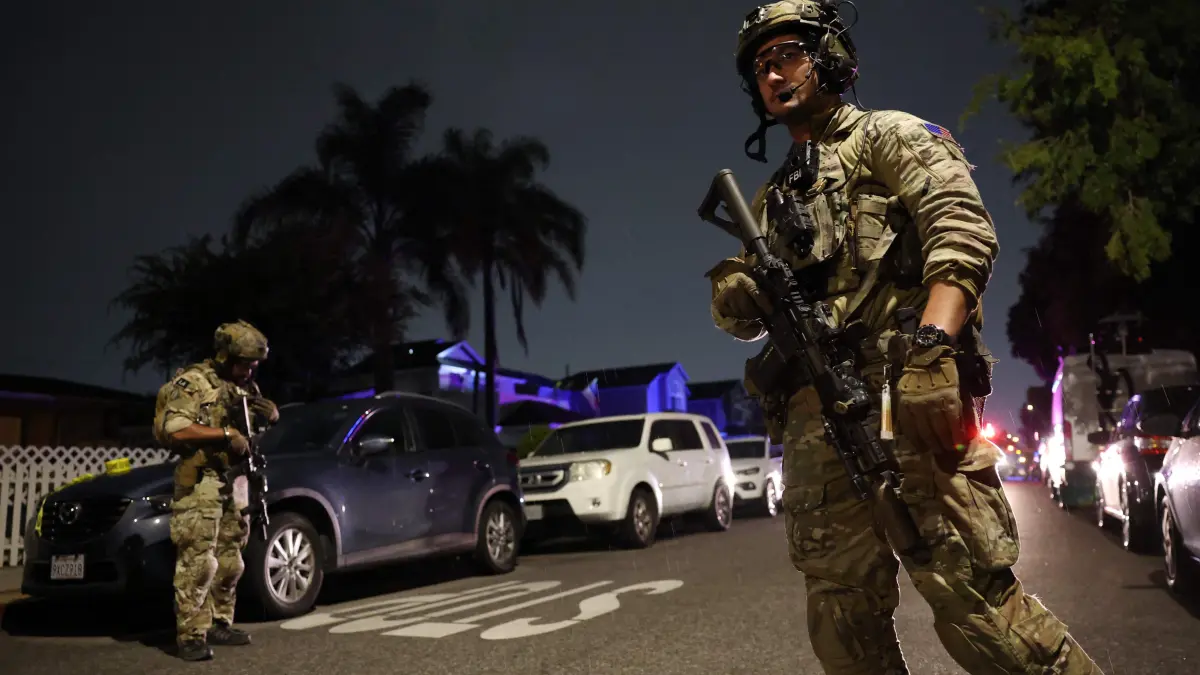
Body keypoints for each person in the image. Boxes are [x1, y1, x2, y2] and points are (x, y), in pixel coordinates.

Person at [705, 2, 1104, 673]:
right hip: (818, 430)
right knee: (843, 622)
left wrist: (930, 346)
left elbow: (962, 231)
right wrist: (737, 292)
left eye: (788, 54)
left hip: (904, 401)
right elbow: (741, 319)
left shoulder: (888, 136)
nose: (773, 74)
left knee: (978, 607)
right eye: (761, 66)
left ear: (828, 55)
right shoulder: (773, 197)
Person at [152, 319, 280, 662]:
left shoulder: (244, 387)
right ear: (225, 356)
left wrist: (268, 417)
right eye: (244, 363)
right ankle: (190, 635)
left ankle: (219, 622)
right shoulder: (193, 383)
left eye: (254, 365)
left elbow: (249, 433)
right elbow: (175, 429)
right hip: (201, 480)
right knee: (198, 561)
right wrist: (224, 436)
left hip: (235, 480)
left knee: (230, 559)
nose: (249, 370)